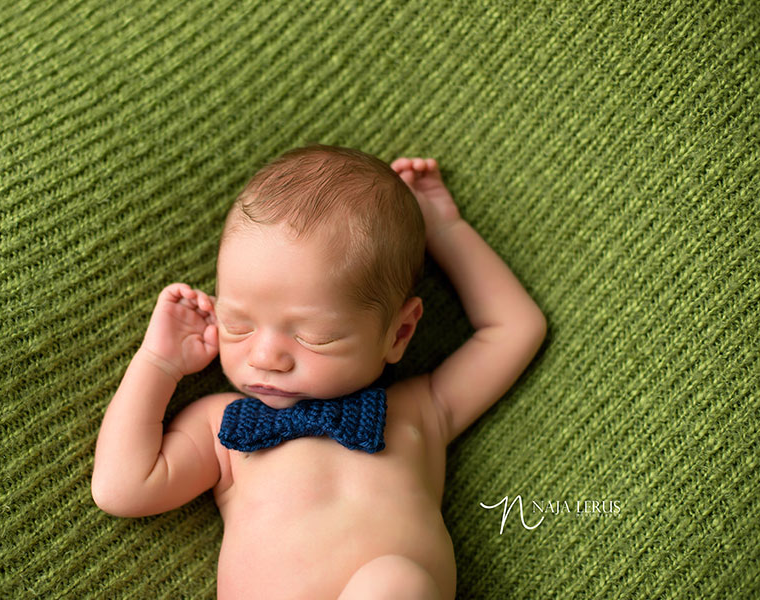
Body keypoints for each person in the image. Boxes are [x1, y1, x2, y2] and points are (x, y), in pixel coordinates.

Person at [91, 144, 547, 599]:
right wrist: (158, 363)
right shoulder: (222, 427)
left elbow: (515, 329)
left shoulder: (421, 409)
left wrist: (444, 229)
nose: (266, 356)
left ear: (399, 333)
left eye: (314, 336)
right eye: (237, 324)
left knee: (393, 583)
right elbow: (122, 489)